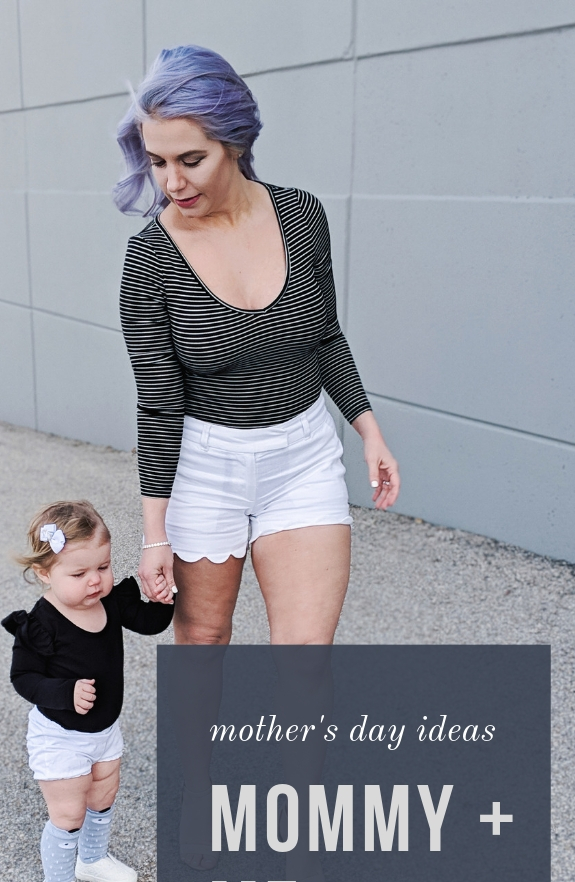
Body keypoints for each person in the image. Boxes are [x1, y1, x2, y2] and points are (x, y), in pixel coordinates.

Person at [114, 46, 400, 644]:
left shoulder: (301, 216)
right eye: (158, 161)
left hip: (302, 458)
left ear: (236, 143)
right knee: (204, 646)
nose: (172, 182)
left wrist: (367, 429)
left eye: (192, 159)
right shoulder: (149, 260)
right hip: (204, 465)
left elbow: (323, 337)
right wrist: (155, 535)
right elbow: (159, 403)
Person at [2, 500, 174, 882]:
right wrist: (63, 691)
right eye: (78, 574)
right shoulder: (41, 624)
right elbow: (23, 677)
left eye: (103, 566)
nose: (95, 581)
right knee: (69, 812)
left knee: (103, 796)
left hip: (104, 730)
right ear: (45, 573)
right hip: (60, 734)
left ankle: (91, 860)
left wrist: (166, 595)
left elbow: (151, 623)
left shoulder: (109, 601)